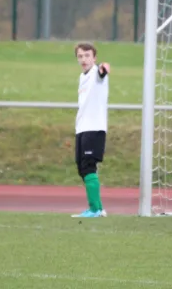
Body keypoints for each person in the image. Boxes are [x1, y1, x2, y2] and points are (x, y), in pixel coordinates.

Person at [71, 42, 110, 218]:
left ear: (94, 58)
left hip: (94, 128)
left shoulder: (96, 73)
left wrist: (104, 68)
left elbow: (102, 72)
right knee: (82, 168)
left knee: (88, 166)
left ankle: (94, 209)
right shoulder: (82, 77)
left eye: (87, 55)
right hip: (82, 128)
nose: (84, 59)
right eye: (80, 56)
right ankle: (98, 208)